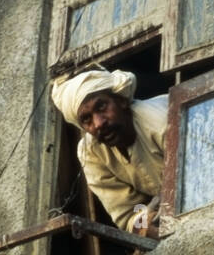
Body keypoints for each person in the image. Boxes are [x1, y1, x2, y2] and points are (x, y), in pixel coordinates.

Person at [51, 68, 168, 234]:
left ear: (122, 101)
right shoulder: (90, 153)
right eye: (86, 119)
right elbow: (128, 213)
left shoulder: (160, 120)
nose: (98, 123)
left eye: (101, 107)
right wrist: (145, 225)